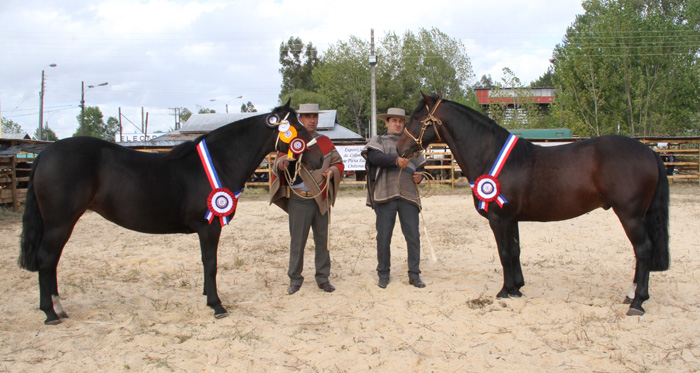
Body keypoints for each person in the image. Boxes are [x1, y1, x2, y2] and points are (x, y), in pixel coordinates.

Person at [270, 103, 344, 295]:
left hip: (320, 199)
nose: (312, 120)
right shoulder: (289, 140)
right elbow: (276, 161)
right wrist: (282, 164)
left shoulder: (326, 141)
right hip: (299, 199)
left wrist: (332, 170)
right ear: (300, 119)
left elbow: (339, 163)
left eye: (315, 116)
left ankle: (323, 278)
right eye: (307, 116)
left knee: (322, 241)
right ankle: (295, 278)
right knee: (297, 241)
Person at [362, 108, 427, 289]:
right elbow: (374, 157)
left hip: (408, 196)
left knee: (413, 237)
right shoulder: (378, 140)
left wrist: (420, 176)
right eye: (394, 120)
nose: (397, 124)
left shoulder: (411, 142)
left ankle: (414, 275)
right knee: (383, 237)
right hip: (385, 195)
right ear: (386, 122)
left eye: (400, 121)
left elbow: (421, 166)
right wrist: (396, 161)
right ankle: (383, 273)